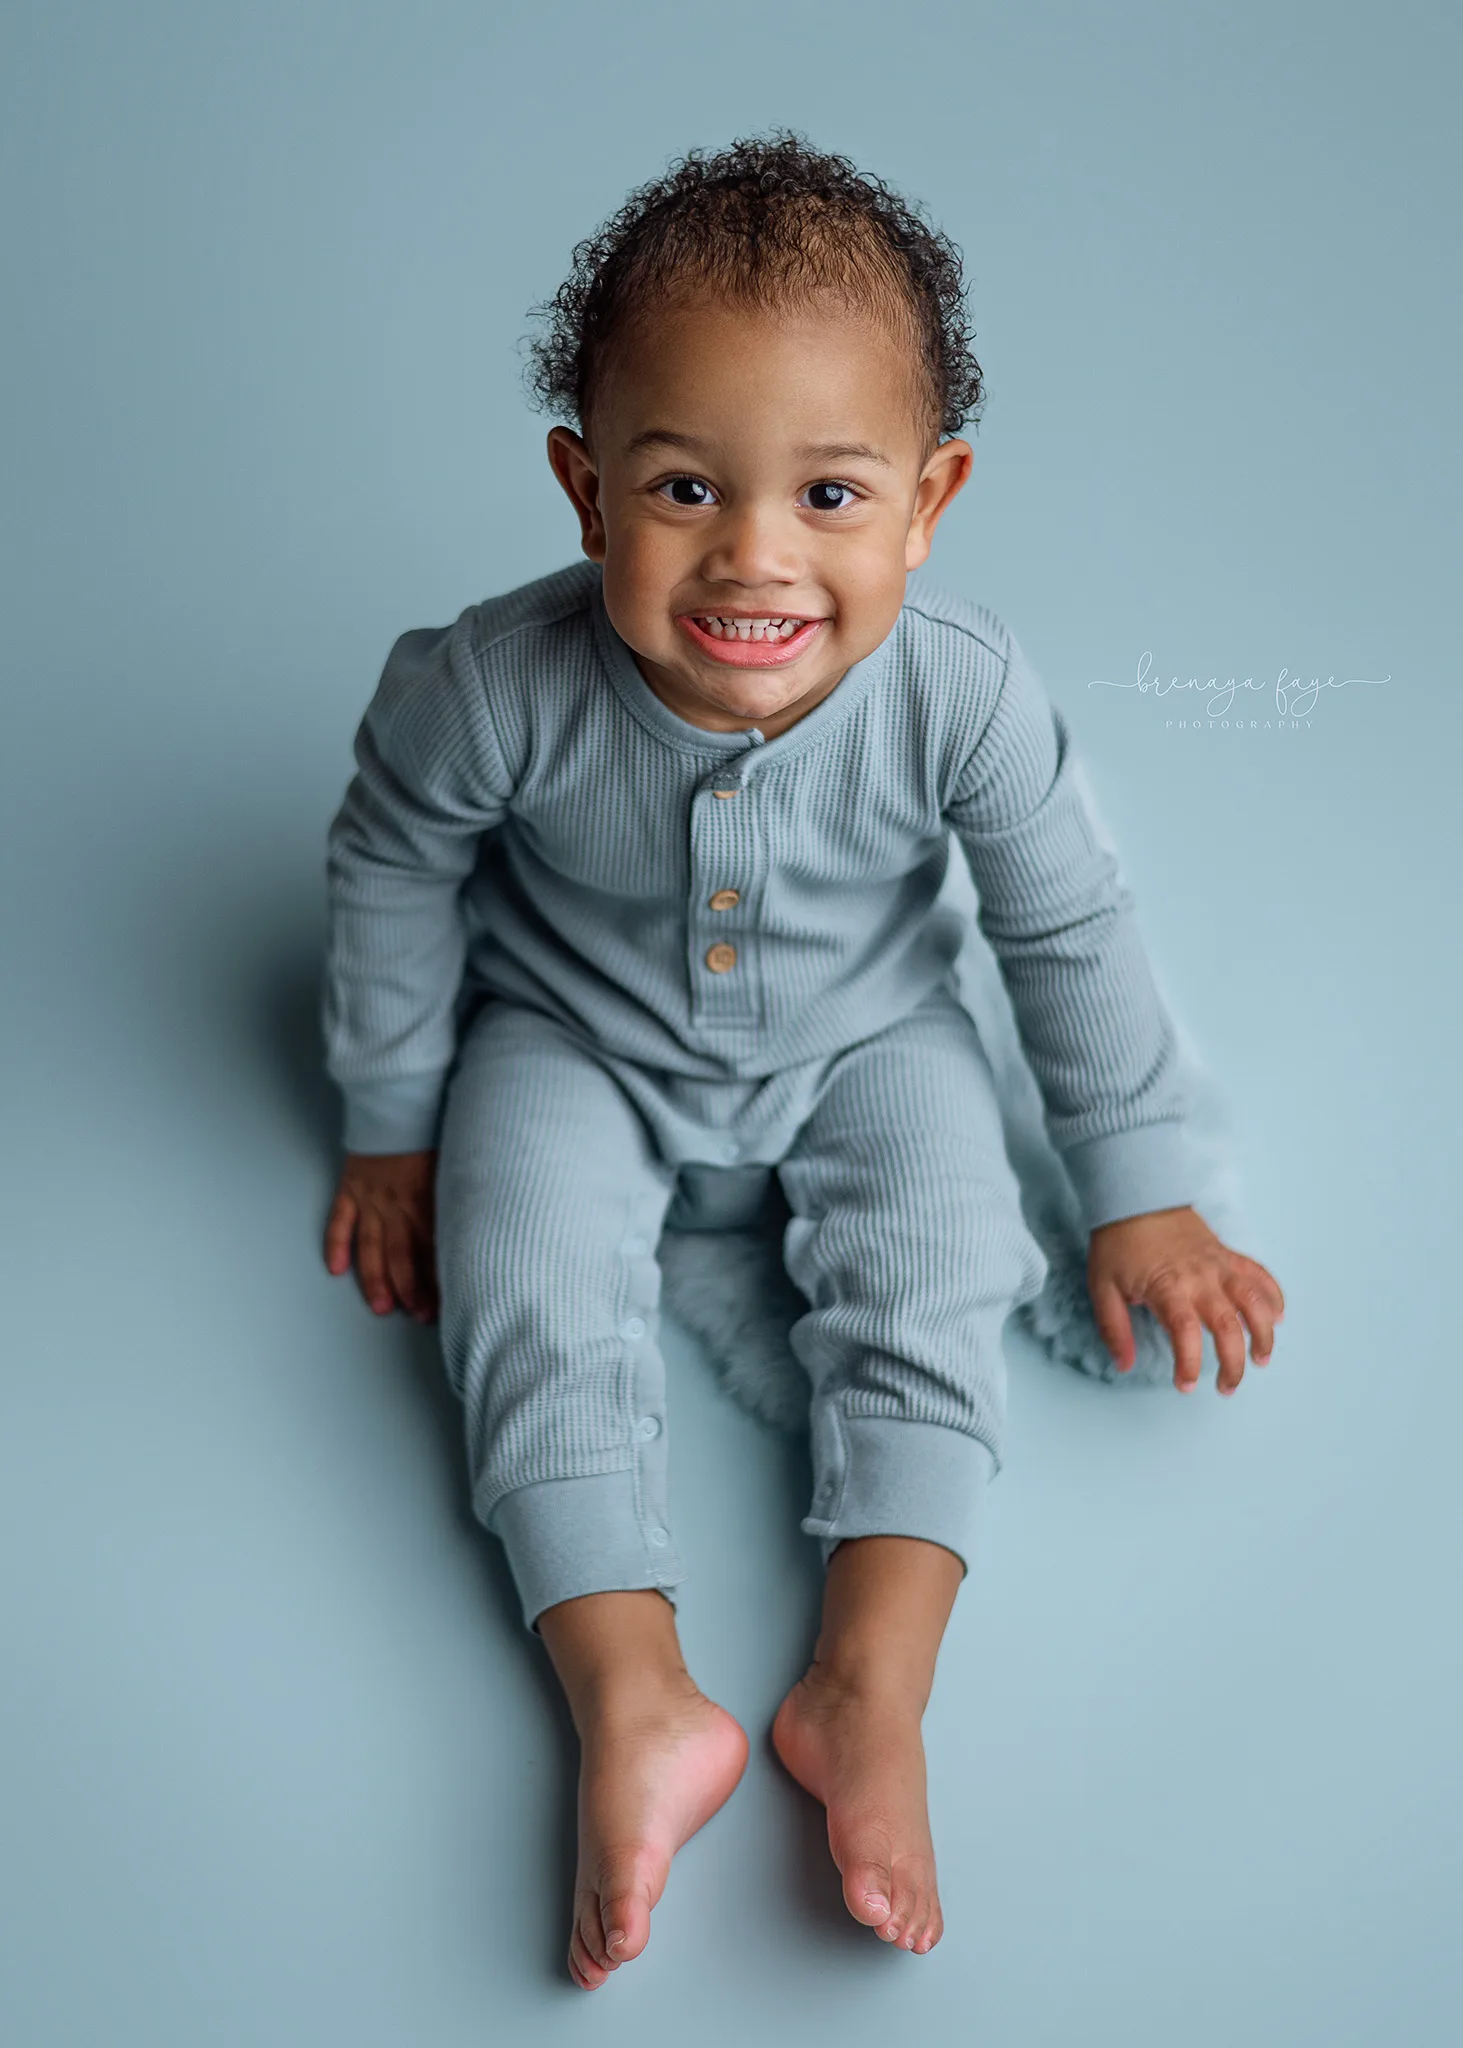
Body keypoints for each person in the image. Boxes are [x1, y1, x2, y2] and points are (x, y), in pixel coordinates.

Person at [319, 131, 1285, 1988]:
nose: (754, 557)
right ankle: (630, 1696)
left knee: (937, 1260)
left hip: (869, 1038)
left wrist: (1141, 1192)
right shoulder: (487, 688)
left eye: (829, 494)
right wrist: (387, 1120)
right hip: (568, 1036)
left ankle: (870, 1689)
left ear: (930, 504)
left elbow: (1063, 930)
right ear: (584, 488)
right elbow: (389, 862)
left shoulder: (965, 694)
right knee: (517, 1283)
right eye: (685, 486)